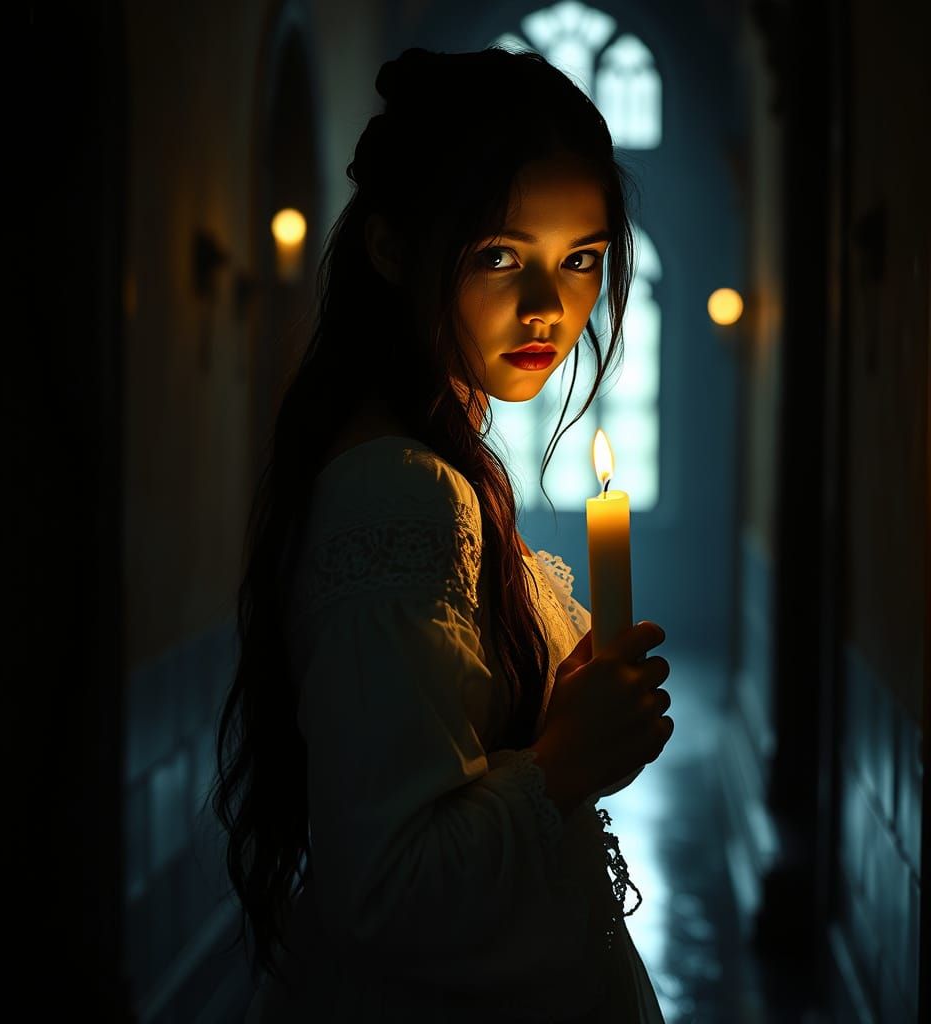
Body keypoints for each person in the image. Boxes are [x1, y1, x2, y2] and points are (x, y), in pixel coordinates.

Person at [211, 45, 674, 1023]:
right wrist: (562, 764)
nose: (551, 306)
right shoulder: (400, 490)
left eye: (579, 259)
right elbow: (387, 891)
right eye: (501, 255)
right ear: (392, 248)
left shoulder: (440, 458)